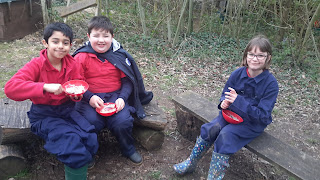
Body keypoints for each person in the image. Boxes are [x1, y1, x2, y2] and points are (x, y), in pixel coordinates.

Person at [173, 35, 279, 179]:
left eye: (261, 55)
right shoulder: (237, 74)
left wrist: (238, 101)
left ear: (268, 58)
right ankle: (191, 162)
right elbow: (225, 95)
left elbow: (262, 116)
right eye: (252, 54)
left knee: (226, 136)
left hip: (252, 123)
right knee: (211, 128)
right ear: (246, 55)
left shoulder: (271, 84)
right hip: (231, 115)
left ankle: (214, 177)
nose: (255, 59)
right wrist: (224, 103)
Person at [4, 22, 98, 180]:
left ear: (70, 45)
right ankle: (77, 164)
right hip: (44, 115)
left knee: (90, 137)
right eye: (55, 41)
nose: (61, 46)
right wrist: (44, 86)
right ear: (45, 43)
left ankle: (82, 161)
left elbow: (78, 83)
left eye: (66, 43)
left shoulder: (73, 64)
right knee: (71, 143)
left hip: (68, 110)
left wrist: (76, 95)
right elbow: (10, 88)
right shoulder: (36, 65)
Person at [72, 16, 153, 164]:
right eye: (96, 36)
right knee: (91, 121)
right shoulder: (82, 56)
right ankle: (88, 152)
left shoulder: (118, 54)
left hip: (115, 96)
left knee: (122, 122)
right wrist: (89, 97)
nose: (101, 40)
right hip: (89, 98)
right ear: (89, 36)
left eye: (105, 36)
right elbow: (76, 83)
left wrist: (122, 98)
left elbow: (128, 81)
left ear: (112, 37)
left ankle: (128, 149)